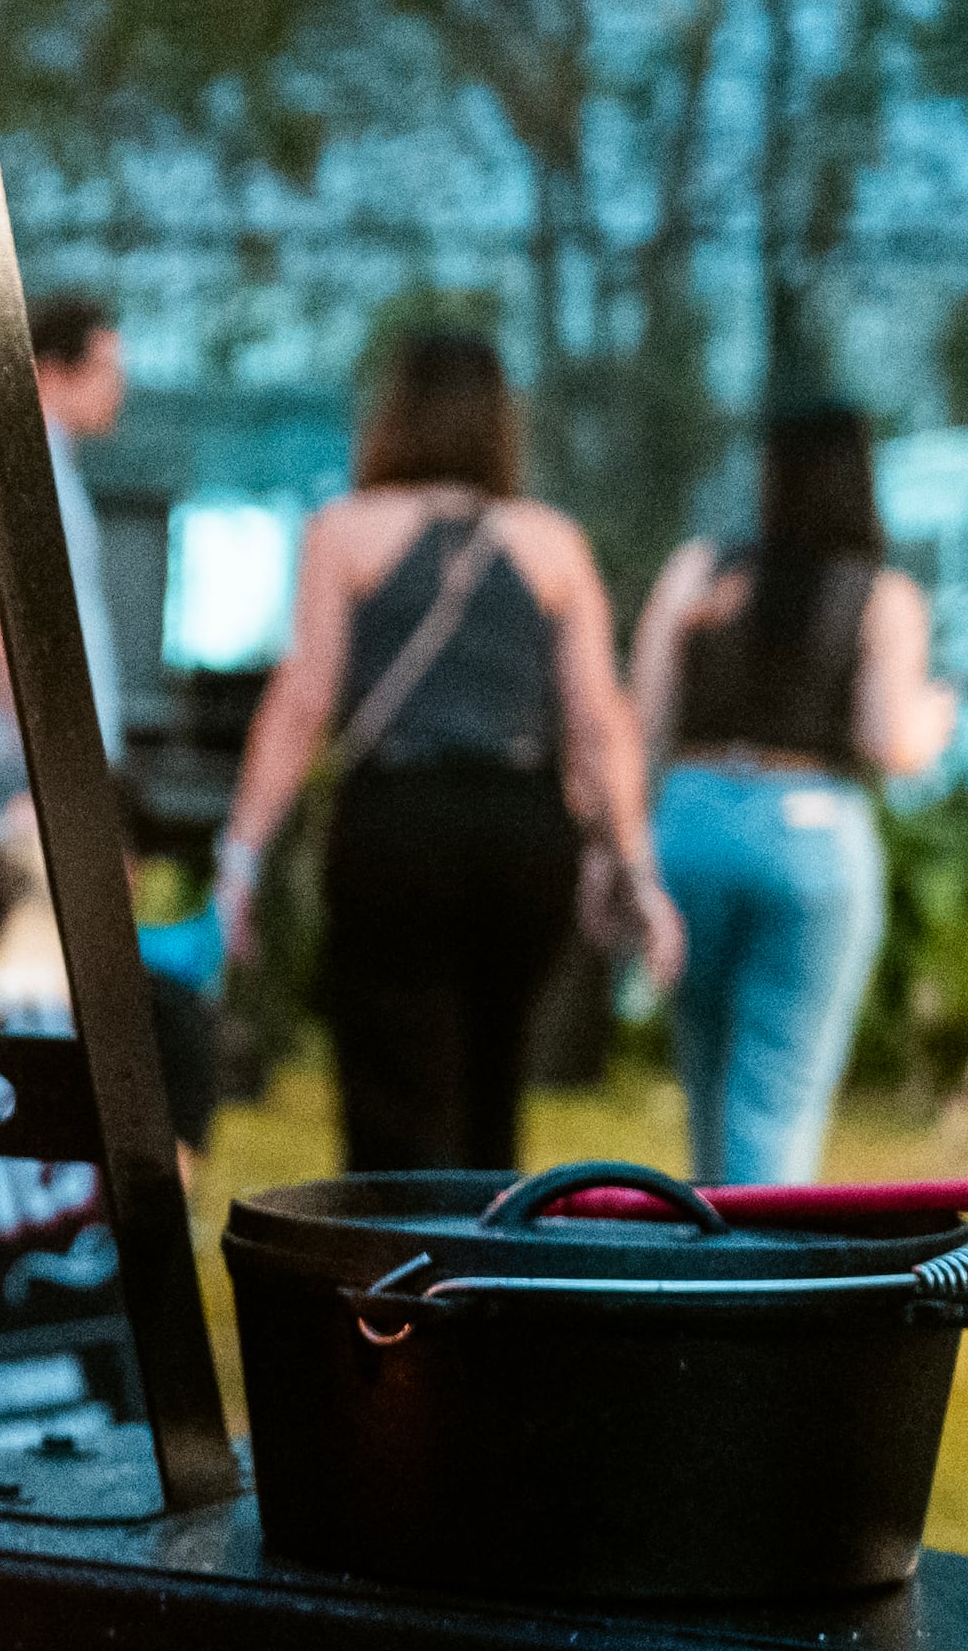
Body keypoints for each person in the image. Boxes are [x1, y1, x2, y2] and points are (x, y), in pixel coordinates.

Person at [216, 329, 673, 1176]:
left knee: (394, 1086)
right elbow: (598, 720)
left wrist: (241, 852)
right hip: (523, 827)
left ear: (394, 416)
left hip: (398, 822)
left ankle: (399, 1286)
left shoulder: (345, 530)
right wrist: (635, 869)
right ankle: (483, 1281)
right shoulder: (553, 543)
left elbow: (303, 700)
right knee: (495, 1084)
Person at [631, 404, 956, 1185]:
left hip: (692, 821)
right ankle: (764, 1291)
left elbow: (642, 717)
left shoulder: (699, 572)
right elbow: (890, 741)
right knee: (775, 1094)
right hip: (813, 835)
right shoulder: (881, 595)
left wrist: (622, 851)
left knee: (706, 1083)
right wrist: (939, 712)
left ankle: (708, 1277)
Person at [0, 293, 127, 807]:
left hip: (19, 770)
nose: (120, 388)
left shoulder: (28, 453)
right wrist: (55, 777)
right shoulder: (10, 454)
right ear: (50, 370)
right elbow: (7, 633)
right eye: (106, 368)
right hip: (15, 776)